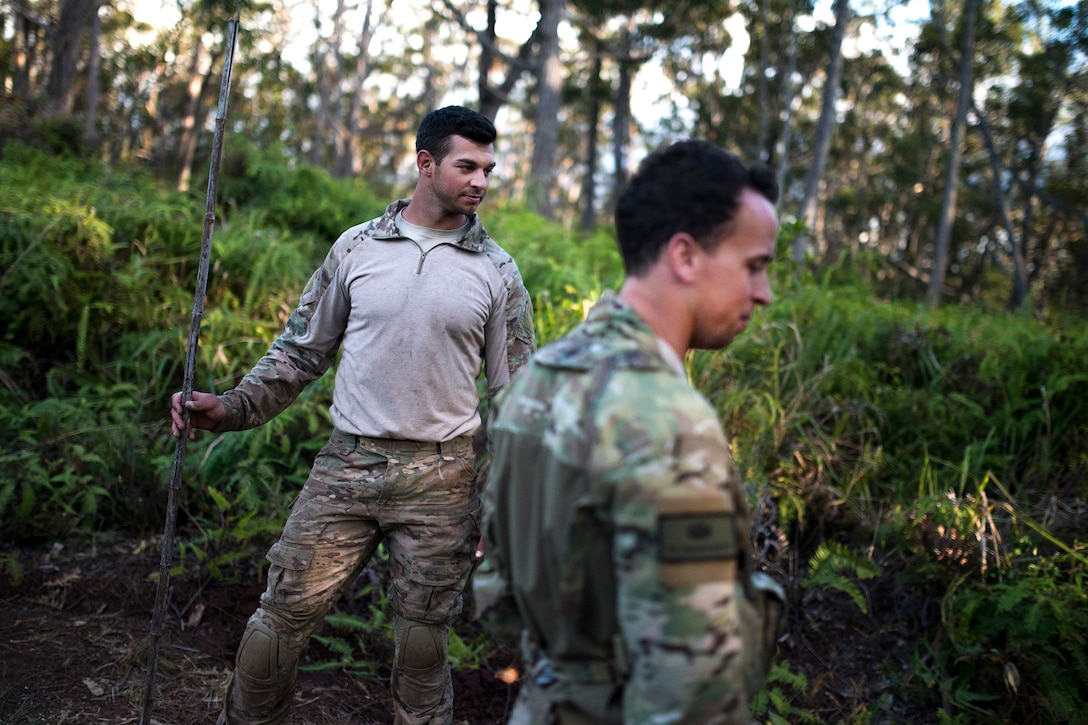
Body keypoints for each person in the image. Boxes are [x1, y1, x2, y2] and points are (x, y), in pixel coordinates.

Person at [170, 105, 535, 725]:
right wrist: (229, 408)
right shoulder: (358, 247)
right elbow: (300, 351)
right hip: (348, 465)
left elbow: (518, 401)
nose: (481, 182)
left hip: (442, 480)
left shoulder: (497, 272)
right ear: (426, 164)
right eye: (467, 166)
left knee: (423, 647)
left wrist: (499, 502)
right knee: (276, 624)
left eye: (489, 170)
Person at [476, 140, 786, 724]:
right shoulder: (669, 423)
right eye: (755, 265)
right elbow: (692, 689)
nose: (764, 293)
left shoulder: (543, 376)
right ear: (686, 256)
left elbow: (501, 594)